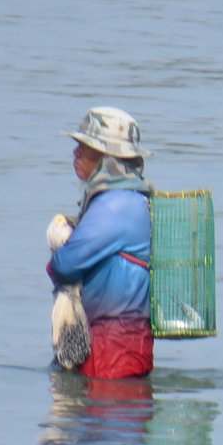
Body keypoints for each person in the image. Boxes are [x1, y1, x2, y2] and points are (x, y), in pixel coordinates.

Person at [47, 107, 154, 379]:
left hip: (112, 349)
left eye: (84, 148)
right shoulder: (128, 200)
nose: (76, 153)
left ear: (107, 157)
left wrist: (60, 239)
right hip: (119, 343)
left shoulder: (114, 206)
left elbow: (65, 265)